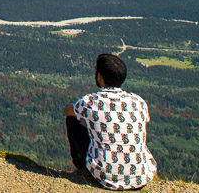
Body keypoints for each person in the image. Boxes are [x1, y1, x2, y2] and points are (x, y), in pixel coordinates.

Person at [63, 53, 157, 190]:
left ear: (100, 76)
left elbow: (68, 110)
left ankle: (81, 166)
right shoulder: (138, 102)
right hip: (140, 177)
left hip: (102, 175)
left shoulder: (90, 102)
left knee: (73, 119)